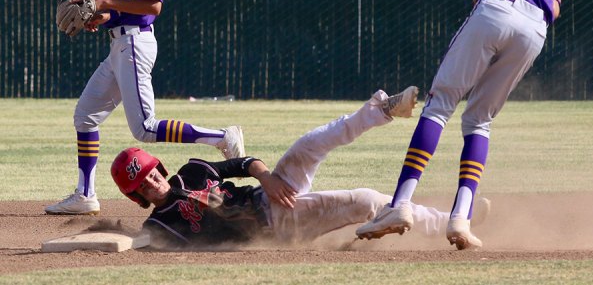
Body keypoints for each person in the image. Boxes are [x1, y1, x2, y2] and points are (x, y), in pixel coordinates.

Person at [319, 0, 560, 250]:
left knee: (440, 105)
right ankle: (460, 218)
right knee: (479, 121)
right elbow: (554, 8)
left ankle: (399, 205)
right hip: (535, 30)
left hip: (497, 8)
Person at [45, 0, 245, 216]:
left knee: (145, 129)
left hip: (135, 45)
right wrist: (103, 16)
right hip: (119, 44)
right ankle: (85, 195)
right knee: (85, 116)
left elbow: (154, 6)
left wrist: (108, 4)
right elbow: (125, 6)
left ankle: (222, 137)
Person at [111, 87, 490, 249]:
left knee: (310, 144)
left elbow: (242, 162)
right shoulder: (158, 226)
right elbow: (160, 248)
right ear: (136, 196)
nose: (153, 183)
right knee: (366, 201)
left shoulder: (191, 171)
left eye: (152, 173)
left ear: (159, 166)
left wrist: (266, 177)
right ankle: (449, 222)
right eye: (143, 186)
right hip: (276, 226)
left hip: (269, 194)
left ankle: (382, 109)